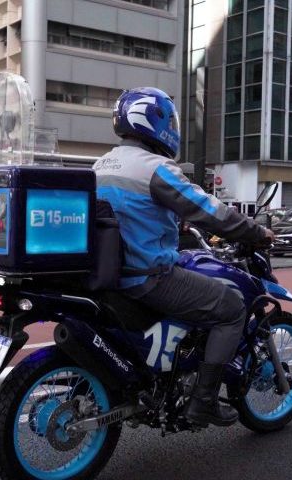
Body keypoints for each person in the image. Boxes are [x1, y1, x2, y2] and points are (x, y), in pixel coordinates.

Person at [93, 87, 274, 427]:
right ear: (155, 122)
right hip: (147, 277)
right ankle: (202, 401)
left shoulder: (100, 164)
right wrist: (255, 232)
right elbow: (209, 211)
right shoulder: (155, 168)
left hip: (108, 276)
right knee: (232, 307)